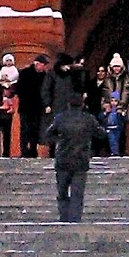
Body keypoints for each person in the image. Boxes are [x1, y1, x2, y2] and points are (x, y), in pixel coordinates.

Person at [45, 93, 107, 222]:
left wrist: (59, 140)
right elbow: (101, 134)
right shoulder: (88, 119)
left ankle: (63, 218)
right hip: (81, 161)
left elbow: (48, 134)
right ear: (82, 104)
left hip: (63, 160)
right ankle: (75, 220)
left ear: (68, 104)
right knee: (77, 194)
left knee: (62, 193)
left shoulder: (60, 118)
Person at [16, 54, 48, 159]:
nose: (44, 67)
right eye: (43, 65)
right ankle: (24, 151)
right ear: (37, 64)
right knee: (25, 130)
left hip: (37, 108)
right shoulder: (25, 73)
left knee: (35, 130)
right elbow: (19, 88)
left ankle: (33, 150)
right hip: (26, 107)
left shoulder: (44, 76)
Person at [101, 54, 129, 157]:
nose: (116, 68)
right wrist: (107, 104)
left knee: (122, 130)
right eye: (115, 66)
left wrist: (121, 103)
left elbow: (126, 91)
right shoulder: (107, 79)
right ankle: (111, 151)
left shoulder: (125, 78)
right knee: (109, 130)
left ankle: (121, 150)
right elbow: (105, 92)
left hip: (122, 107)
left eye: (118, 66)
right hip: (110, 107)